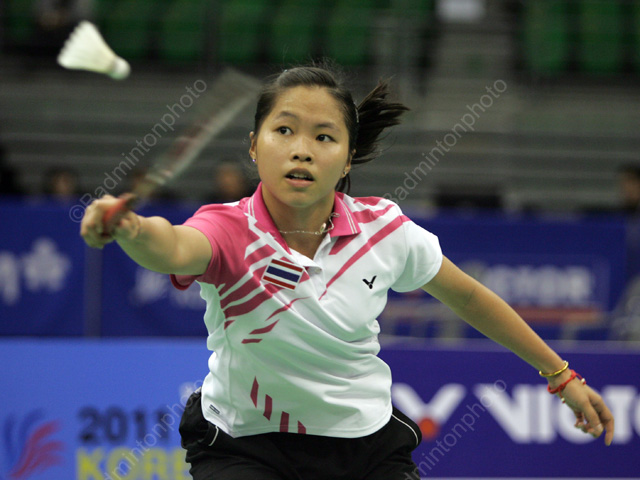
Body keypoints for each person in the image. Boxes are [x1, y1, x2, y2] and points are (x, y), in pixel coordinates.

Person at [80, 64, 614, 480]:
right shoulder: (229, 228)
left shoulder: (384, 231)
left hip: (364, 446)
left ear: (349, 157)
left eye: (323, 137)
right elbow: (172, 247)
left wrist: (561, 375)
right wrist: (130, 228)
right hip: (244, 445)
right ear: (254, 145)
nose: (301, 151)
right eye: (284, 130)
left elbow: (470, 299)